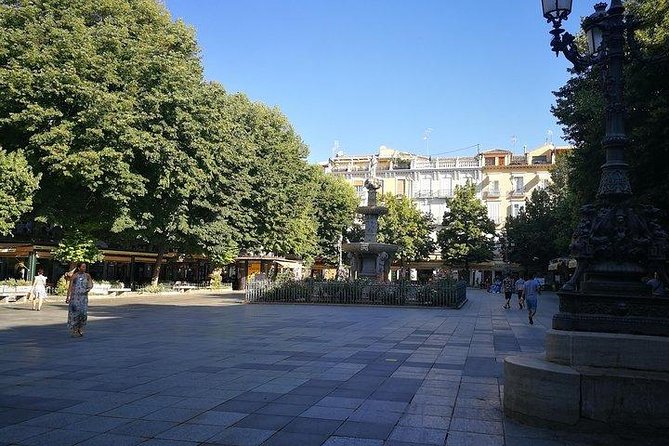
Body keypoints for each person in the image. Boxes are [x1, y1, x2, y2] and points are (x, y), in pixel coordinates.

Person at [66, 262, 93, 337]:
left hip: (83, 298)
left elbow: (90, 284)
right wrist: (68, 297)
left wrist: (88, 289)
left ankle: (81, 328)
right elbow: (70, 287)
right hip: (75, 298)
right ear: (79, 268)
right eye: (83, 267)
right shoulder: (74, 276)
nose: (84, 268)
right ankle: (75, 329)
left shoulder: (87, 275)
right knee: (74, 313)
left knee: (83, 313)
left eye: (85, 267)